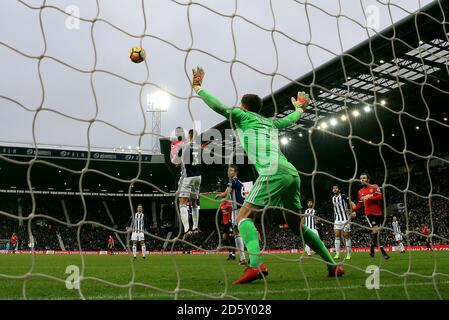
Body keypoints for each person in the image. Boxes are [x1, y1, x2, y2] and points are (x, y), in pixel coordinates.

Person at [192, 67, 343, 284]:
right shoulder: (270, 122)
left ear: (244, 106)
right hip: (292, 173)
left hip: (272, 172)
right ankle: (332, 264)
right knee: (296, 226)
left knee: (242, 218)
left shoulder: (242, 115)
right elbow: (290, 119)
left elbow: (219, 107)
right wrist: (300, 109)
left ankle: (255, 266)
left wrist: (198, 87)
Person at [351, 173, 390, 260]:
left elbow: (380, 197)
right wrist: (352, 210)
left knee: (377, 233)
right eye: (361, 178)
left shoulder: (375, 186)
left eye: (364, 178)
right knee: (375, 229)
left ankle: (372, 247)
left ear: (368, 179)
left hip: (379, 213)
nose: (362, 180)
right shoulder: (360, 192)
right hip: (369, 213)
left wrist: (369, 197)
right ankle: (383, 252)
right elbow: (359, 205)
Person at [216, 164, 247, 265]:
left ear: (235, 172)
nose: (229, 172)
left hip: (237, 211)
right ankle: (249, 255)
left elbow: (225, 194)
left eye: (231, 170)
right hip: (243, 209)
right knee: (241, 233)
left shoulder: (232, 181)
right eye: (229, 170)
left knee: (237, 233)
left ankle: (243, 258)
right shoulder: (240, 183)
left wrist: (218, 195)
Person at [177, 129, 202, 239]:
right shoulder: (199, 147)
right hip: (198, 176)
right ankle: (195, 227)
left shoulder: (185, 145)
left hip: (188, 176)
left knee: (182, 202)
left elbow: (178, 156)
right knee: (194, 203)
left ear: (190, 135)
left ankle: (187, 229)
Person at [331, 185, 352, 260]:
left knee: (346, 236)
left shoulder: (343, 196)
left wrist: (351, 211)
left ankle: (348, 254)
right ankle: (337, 254)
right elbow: (334, 207)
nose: (335, 189)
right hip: (337, 219)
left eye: (336, 188)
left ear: (339, 189)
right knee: (337, 235)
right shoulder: (333, 198)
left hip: (345, 219)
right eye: (333, 188)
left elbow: (350, 203)